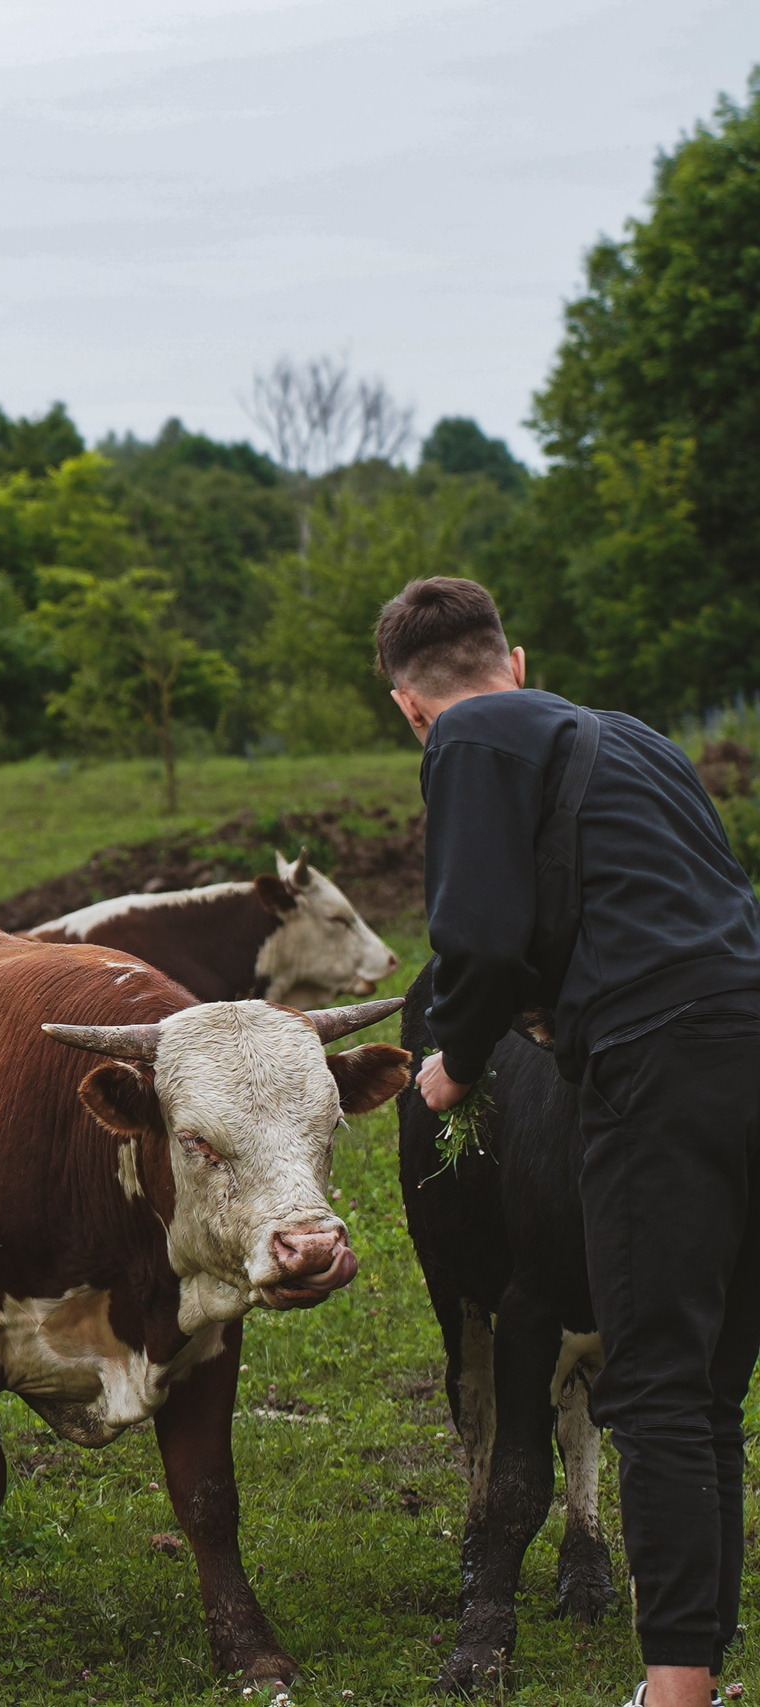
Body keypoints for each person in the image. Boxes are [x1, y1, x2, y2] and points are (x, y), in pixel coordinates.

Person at [380, 576, 760, 1707]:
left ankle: (675, 1691)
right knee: (704, 1394)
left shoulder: (466, 738)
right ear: (518, 656)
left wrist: (450, 1062)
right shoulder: (636, 742)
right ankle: (698, 1668)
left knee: (646, 1389)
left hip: (661, 1070)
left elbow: (479, 941)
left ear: (410, 707)